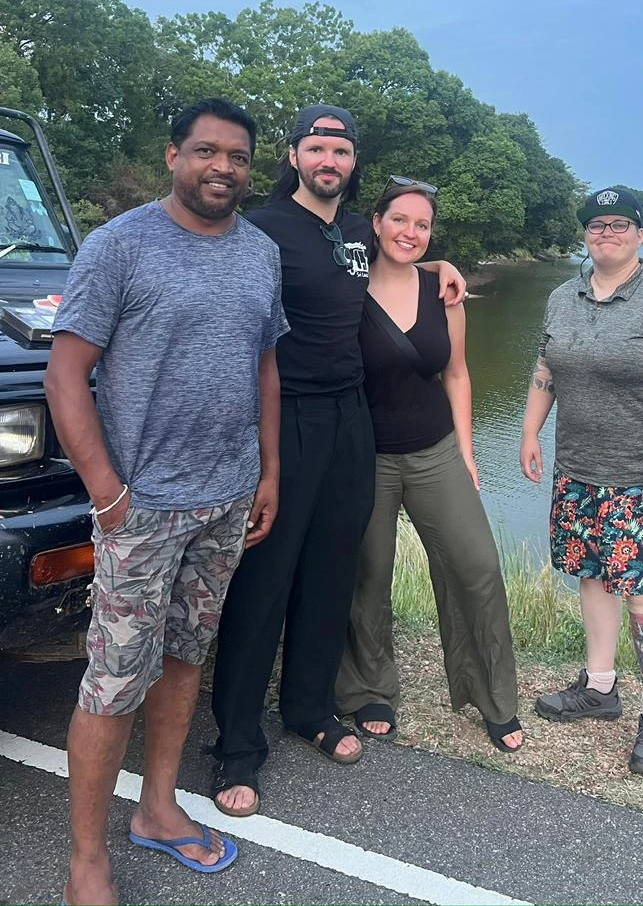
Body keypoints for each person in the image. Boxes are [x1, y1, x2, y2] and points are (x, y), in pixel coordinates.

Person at [46, 98, 287, 906]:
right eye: (207, 151)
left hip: (225, 499)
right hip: (142, 506)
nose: (224, 168)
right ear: (173, 156)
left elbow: (264, 367)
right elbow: (65, 374)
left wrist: (268, 472)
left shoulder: (260, 253)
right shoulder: (119, 246)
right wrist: (108, 495)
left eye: (239, 157)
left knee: (185, 658)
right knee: (114, 680)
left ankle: (157, 808)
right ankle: (87, 860)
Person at [211, 106, 466, 816]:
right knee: (265, 578)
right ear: (294, 155)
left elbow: (401, 260)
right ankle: (237, 743)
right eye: (318, 147)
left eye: (342, 150)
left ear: (354, 163)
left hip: (351, 417)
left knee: (330, 572)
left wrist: (441, 266)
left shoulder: (356, 230)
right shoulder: (260, 229)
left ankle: (309, 707)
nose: (330, 160)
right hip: (285, 416)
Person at [520, 186, 643, 777]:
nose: (607, 233)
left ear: (640, 235)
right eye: (597, 224)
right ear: (585, 235)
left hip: (639, 476)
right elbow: (546, 367)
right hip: (578, 468)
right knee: (594, 575)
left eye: (620, 224)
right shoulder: (562, 297)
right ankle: (599, 687)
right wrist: (529, 433)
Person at [336, 179, 522, 752]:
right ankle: (369, 688)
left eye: (422, 225)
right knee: (369, 574)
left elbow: (457, 374)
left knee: (477, 566)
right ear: (376, 222)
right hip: (366, 455)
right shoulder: (346, 287)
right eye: (400, 219)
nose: (410, 232)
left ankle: (492, 697)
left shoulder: (444, 292)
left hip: (436, 450)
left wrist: (467, 453)